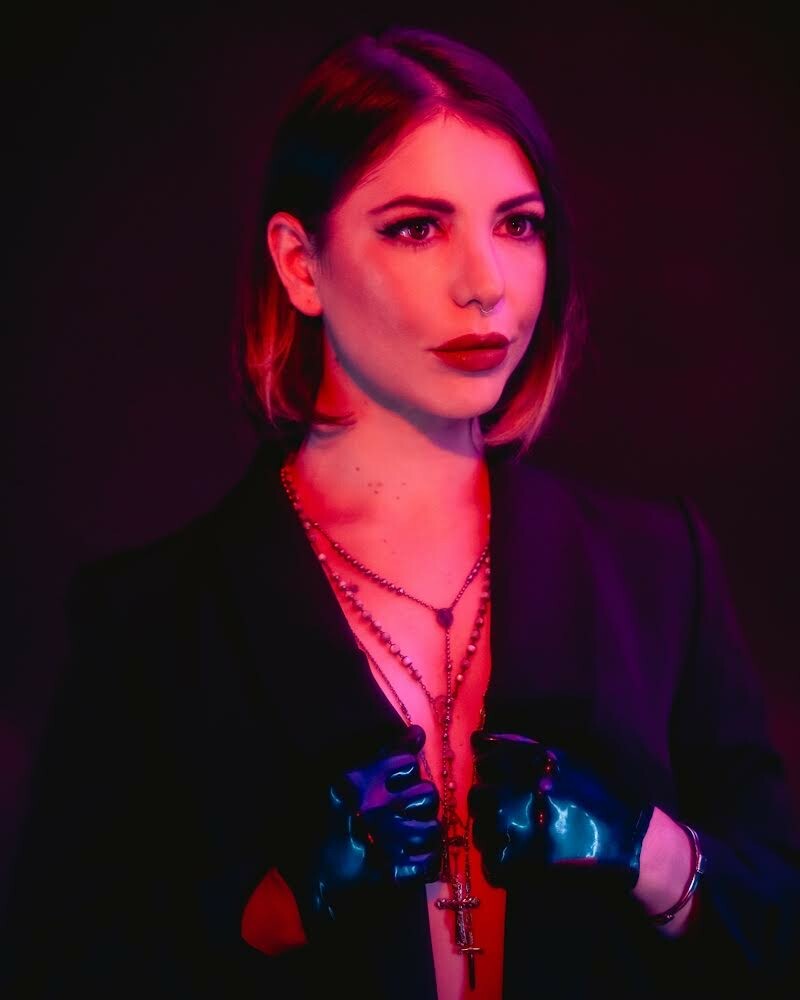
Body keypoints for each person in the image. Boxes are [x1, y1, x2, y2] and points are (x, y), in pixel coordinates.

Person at [3, 24, 799, 1000]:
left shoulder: (658, 568)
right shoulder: (152, 621)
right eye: (418, 227)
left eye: (518, 225)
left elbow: (779, 925)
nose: (486, 284)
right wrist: (269, 912)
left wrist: (649, 853)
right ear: (300, 264)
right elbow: (59, 962)